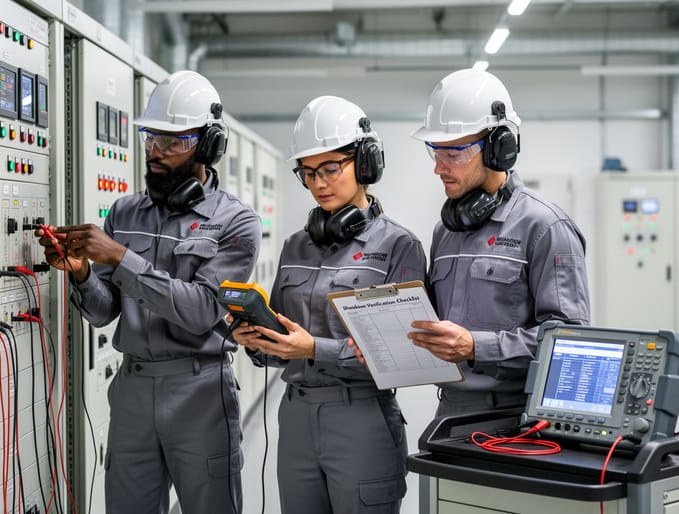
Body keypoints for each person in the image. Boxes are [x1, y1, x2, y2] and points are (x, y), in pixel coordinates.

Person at [38, 70, 260, 514]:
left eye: (173, 143)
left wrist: (120, 257)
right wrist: (82, 273)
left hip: (201, 390)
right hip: (134, 388)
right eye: (150, 139)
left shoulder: (236, 222)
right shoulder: (125, 210)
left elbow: (201, 311)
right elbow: (104, 313)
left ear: (207, 147)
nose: (156, 154)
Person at [233, 96, 427, 514]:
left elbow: (405, 354)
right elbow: (283, 334)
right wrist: (257, 340)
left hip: (360, 418)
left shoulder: (398, 246)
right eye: (307, 172)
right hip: (297, 417)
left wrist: (313, 349)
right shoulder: (295, 246)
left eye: (330, 169)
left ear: (366, 165)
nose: (318, 183)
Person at [407, 68, 591, 416]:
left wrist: (477, 346)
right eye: (436, 152)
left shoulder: (546, 227)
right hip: (449, 411)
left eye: (454, 154)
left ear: (498, 149)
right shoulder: (445, 231)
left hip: (515, 415)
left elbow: (570, 342)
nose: (439, 169)